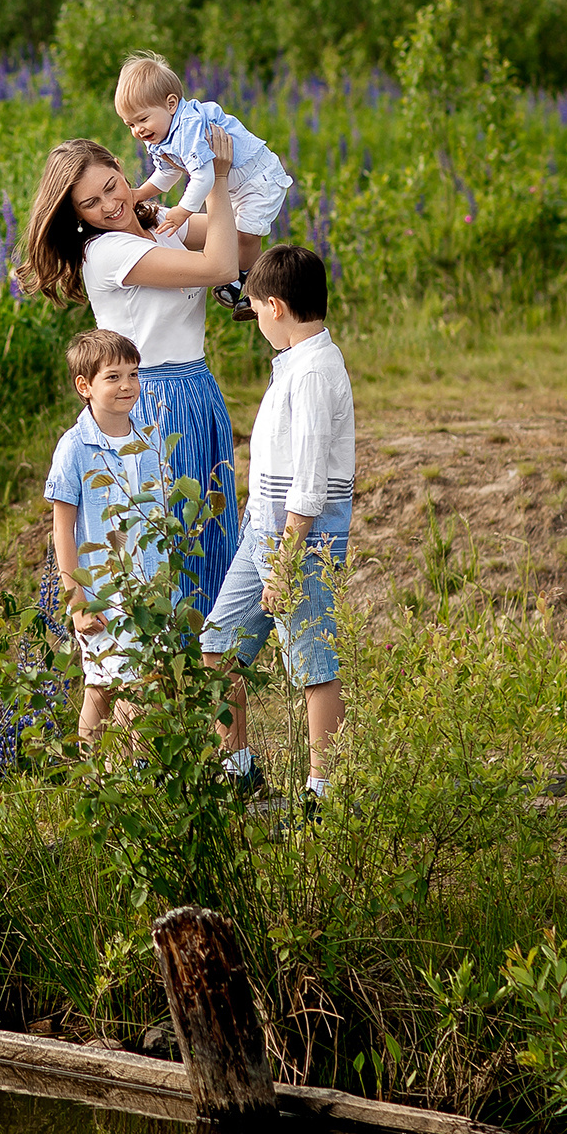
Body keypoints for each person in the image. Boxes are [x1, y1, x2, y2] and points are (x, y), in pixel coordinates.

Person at [12, 125, 242, 609]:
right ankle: (165, 670)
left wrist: (215, 166)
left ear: (121, 167)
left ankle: (218, 672)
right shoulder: (107, 251)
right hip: (150, 398)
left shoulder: (152, 216)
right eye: (89, 204)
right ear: (76, 217)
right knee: (172, 545)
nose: (108, 206)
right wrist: (215, 179)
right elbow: (221, 267)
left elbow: (240, 238)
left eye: (110, 187)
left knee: (214, 539)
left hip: (197, 387)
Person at [199, 244, 352, 809]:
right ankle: (240, 771)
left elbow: (309, 480)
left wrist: (286, 562)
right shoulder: (293, 363)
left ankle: (323, 791)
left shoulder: (314, 373)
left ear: (277, 306)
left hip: (299, 542)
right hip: (260, 532)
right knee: (218, 647)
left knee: (312, 659)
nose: (254, 318)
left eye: (256, 308)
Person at [45, 329, 162, 748]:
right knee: (112, 684)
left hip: (149, 586)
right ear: (85, 386)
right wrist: (75, 598)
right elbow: (62, 527)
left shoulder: (149, 438)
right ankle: (110, 775)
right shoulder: (74, 447)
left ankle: (110, 782)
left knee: (122, 681)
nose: (127, 385)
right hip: (104, 593)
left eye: (133, 374)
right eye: (113, 377)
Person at [114, 52, 293, 320]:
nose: (138, 130)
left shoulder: (188, 127)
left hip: (259, 177)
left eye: (142, 119)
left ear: (171, 104)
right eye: (130, 124)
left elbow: (204, 177)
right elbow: (167, 171)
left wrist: (183, 210)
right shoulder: (160, 134)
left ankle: (247, 286)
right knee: (232, 233)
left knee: (246, 235)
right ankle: (248, 286)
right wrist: (141, 193)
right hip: (235, 184)